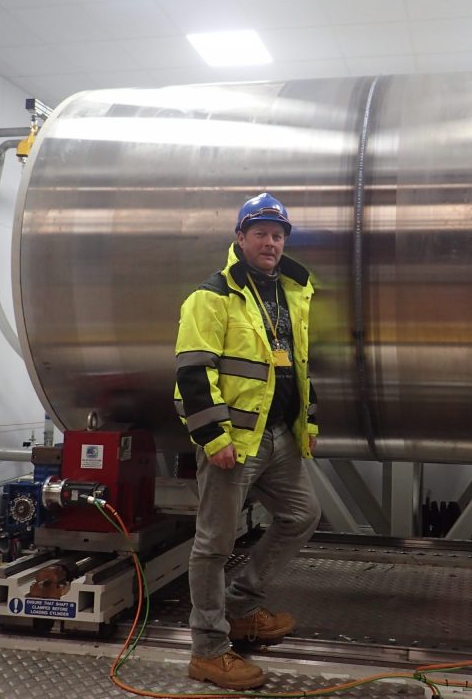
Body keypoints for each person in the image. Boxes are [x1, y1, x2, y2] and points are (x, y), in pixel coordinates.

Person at [174, 192, 321, 689]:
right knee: (214, 543)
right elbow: (193, 373)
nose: (271, 242)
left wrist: (309, 424)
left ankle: (238, 607)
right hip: (234, 439)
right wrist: (213, 437)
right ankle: (208, 648)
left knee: (302, 515)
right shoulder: (211, 296)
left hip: (278, 436)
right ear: (240, 238)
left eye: (278, 235)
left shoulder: (291, 292)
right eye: (260, 232)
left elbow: (297, 364)